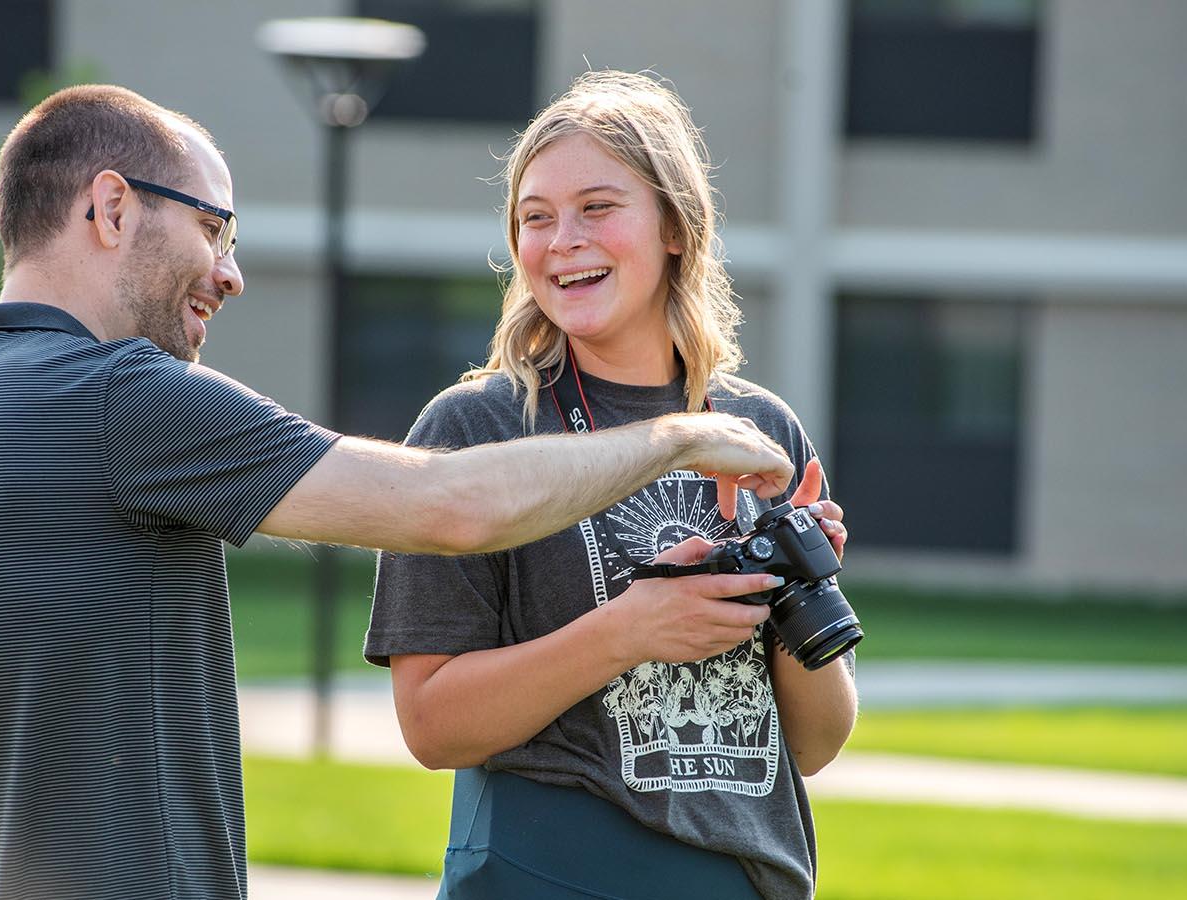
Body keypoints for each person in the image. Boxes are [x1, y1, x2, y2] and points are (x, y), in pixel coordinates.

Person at [0, 84, 798, 900]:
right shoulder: (122, 395)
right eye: (213, 229)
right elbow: (448, 507)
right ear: (109, 208)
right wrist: (680, 435)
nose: (228, 273)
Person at [365, 71, 858, 899]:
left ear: (675, 225)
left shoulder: (760, 430)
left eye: (597, 207)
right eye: (536, 217)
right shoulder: (475, 432)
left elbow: (813, 744)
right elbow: (431, 724)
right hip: (553, 872)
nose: (562, 240)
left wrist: (794, 590)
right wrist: (629, 631)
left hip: (749, 878)